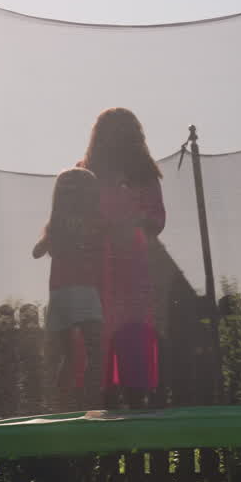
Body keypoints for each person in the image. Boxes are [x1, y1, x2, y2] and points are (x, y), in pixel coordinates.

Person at [77, 107, 165, 409]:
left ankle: (134, 397)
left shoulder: (143, 175)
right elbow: (75, 217)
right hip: (98, 265)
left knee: (132, 328)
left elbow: (156, 219)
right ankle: (106, 397)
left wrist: (132, 222)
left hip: (131, 262)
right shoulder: (85, 174)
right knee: (100, 328)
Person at [33, 167, 105, 390]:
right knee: (94, 350)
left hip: (61, 291)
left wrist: (51, 238)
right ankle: (86, 399)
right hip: (82, 289)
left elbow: (36, 252)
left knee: (71, 355)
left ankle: (65, 401)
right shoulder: (88, 222)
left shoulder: (57, 223)